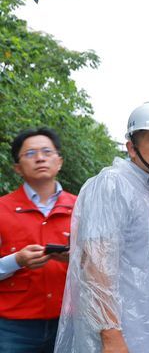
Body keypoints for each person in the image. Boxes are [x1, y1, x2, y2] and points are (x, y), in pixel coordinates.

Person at [54, 102, 149, 353]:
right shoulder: (112, 184)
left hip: (148, 333)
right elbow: (96, 266)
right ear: (132, 148)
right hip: (120, 337)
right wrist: (111, 335)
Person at [0, 128, 75, 353]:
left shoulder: (82, 207)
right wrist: (17, 260)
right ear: (17, 167)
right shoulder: (2, 209)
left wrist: (75, 258)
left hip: (70, 320)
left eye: (46, 152)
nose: (40, 158)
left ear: (59, 161)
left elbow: (103, 266)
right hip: (13, 327)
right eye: (30, 153)